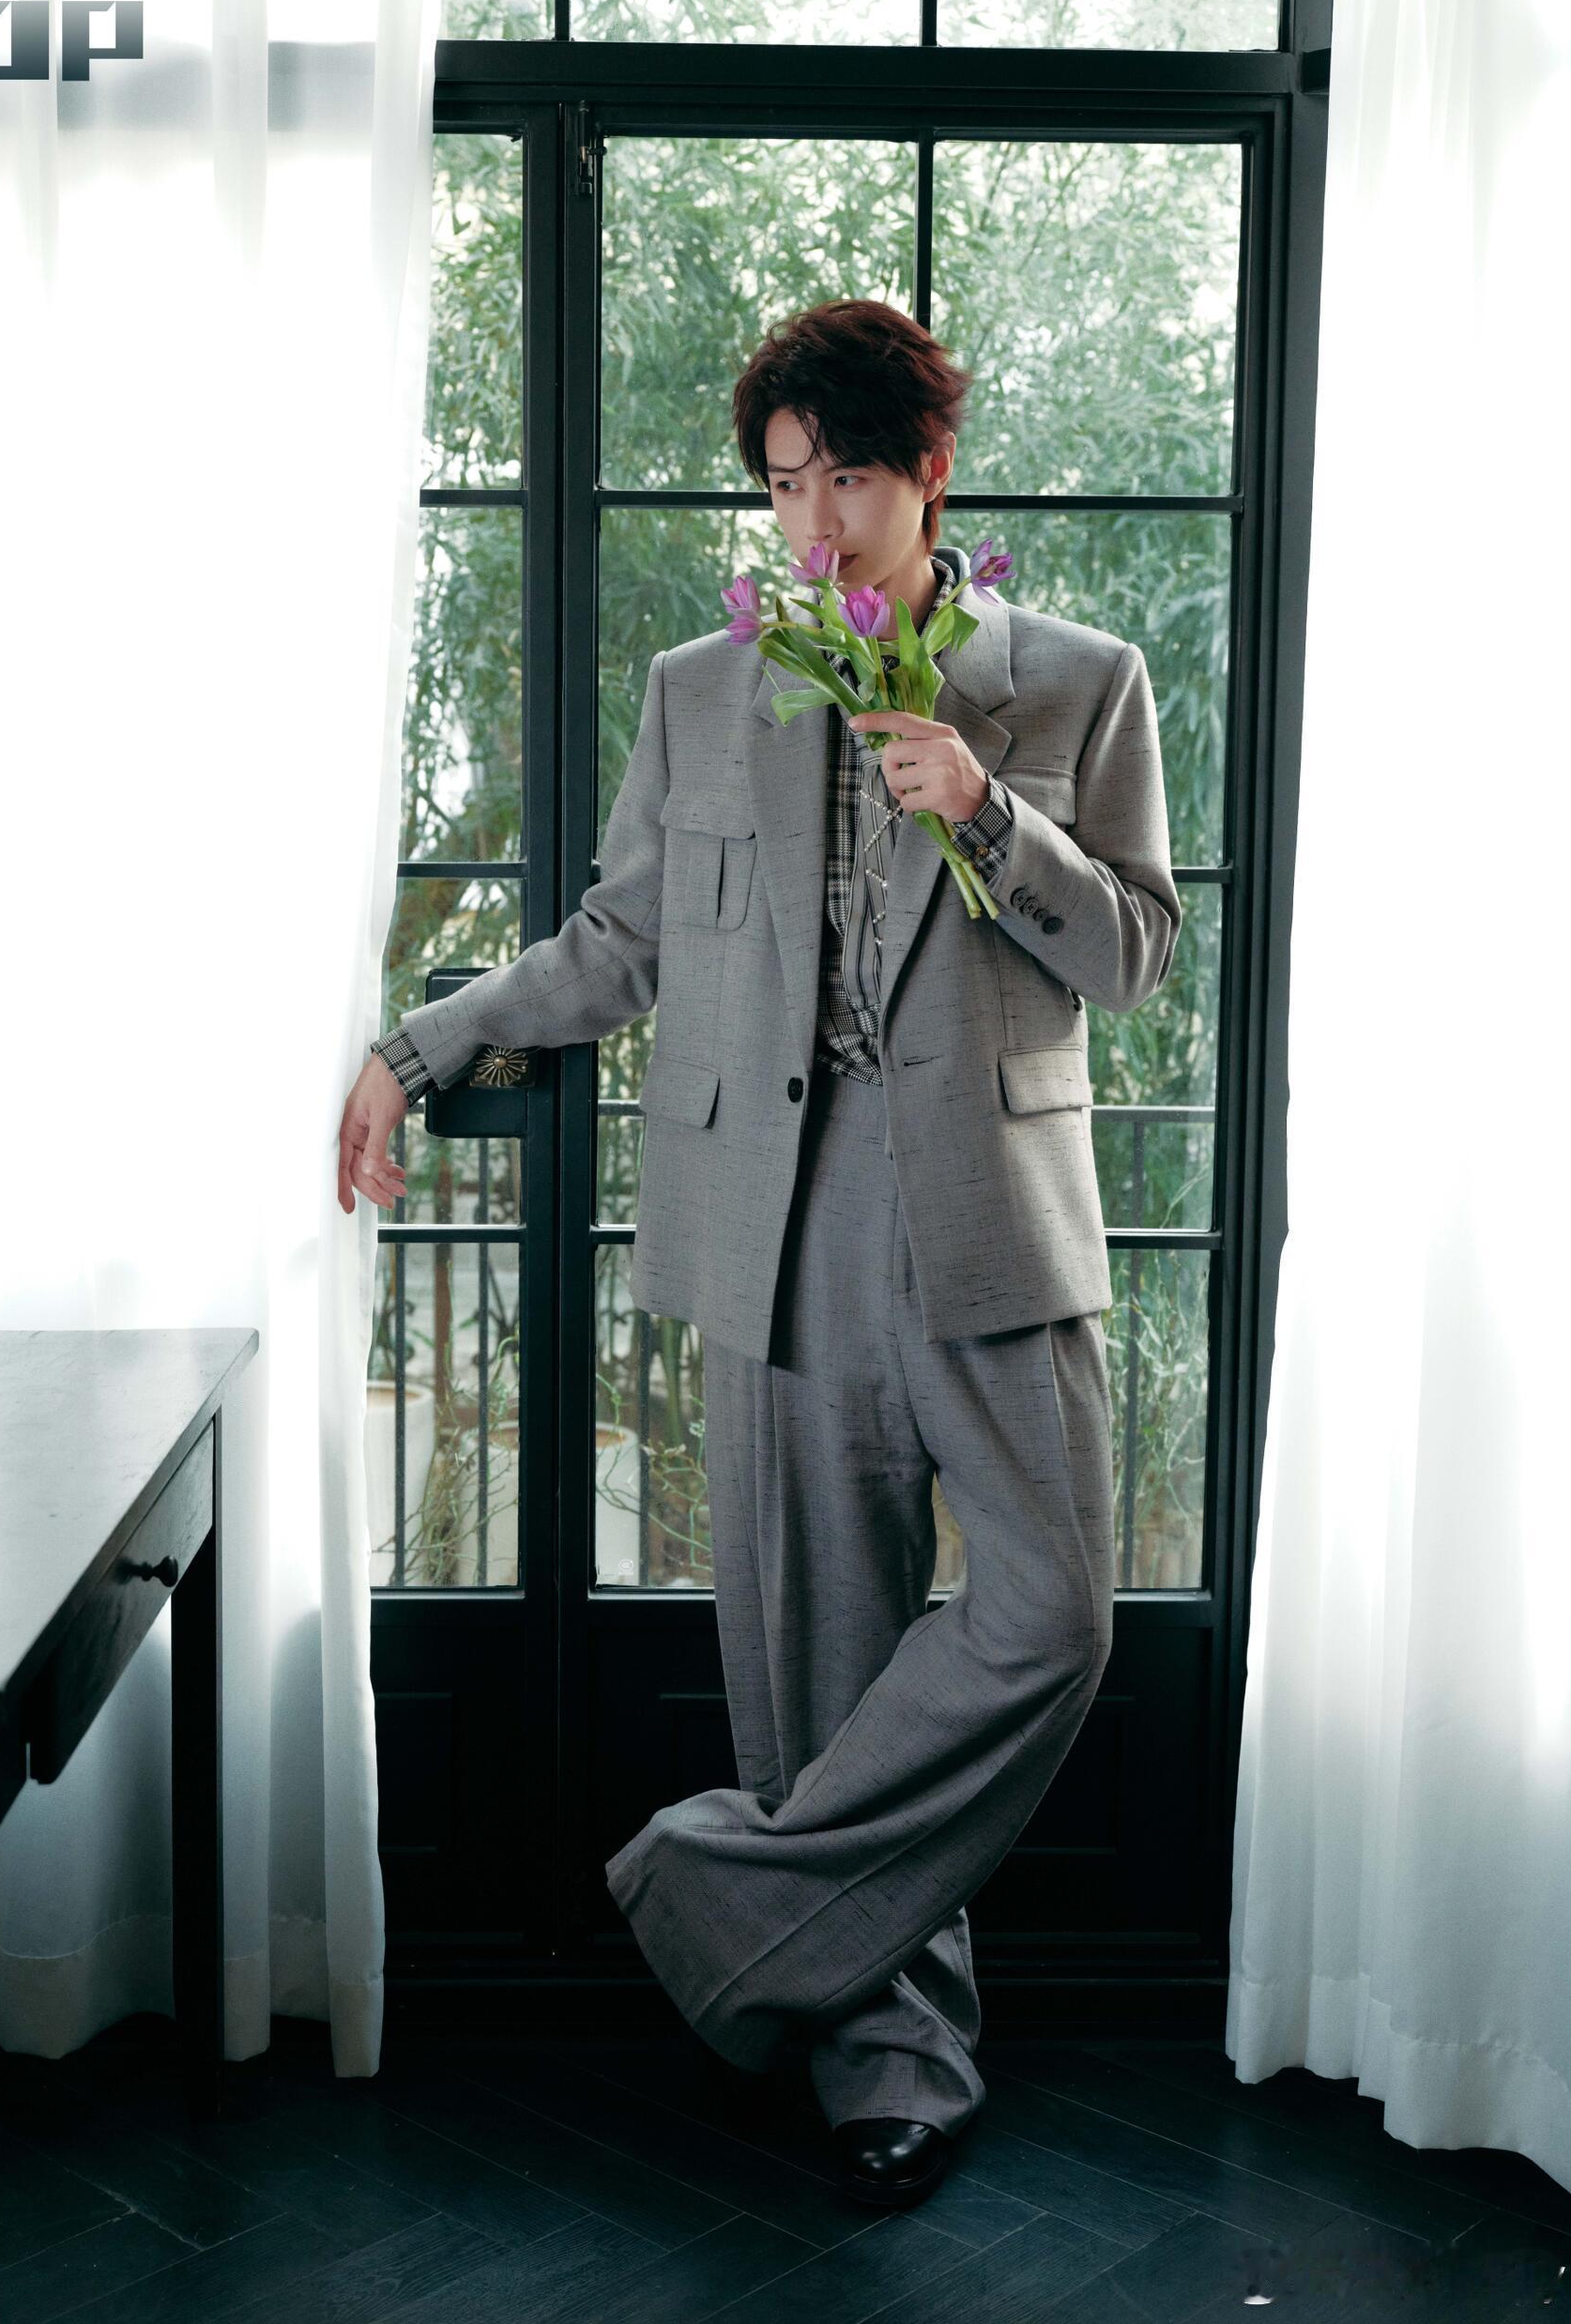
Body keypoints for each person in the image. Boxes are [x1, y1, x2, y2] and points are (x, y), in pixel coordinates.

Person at [338, 298, 1181, 2209]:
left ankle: (713, 1889)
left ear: (930, 476)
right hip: (774, 1221)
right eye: (787, 487)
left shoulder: (1076, 682)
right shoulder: (703, 690)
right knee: (815, 1659)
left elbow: (1137, 955)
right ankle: (895, 2060)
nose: (813, 527)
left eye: (848, 482)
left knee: (1055, 1611)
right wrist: (424, 1044)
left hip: (992, 1216)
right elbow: (618, 942)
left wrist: (989, 811)